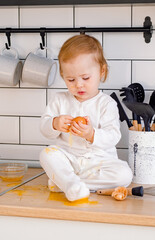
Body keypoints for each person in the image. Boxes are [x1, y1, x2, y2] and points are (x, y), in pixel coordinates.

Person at [39, 34, 132, 202]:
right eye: (71, 79)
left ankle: (66, 183)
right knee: (47, 154)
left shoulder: (107, 104)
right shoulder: (59, 100)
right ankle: (68, 181)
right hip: (69, 159)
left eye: (85, 78)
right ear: (62, 75)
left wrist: (91, 134)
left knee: (124, 175)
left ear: (101, 71)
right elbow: (44, 128)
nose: (79, 84)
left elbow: (113, 136)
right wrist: (54, 123)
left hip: (99, 163)